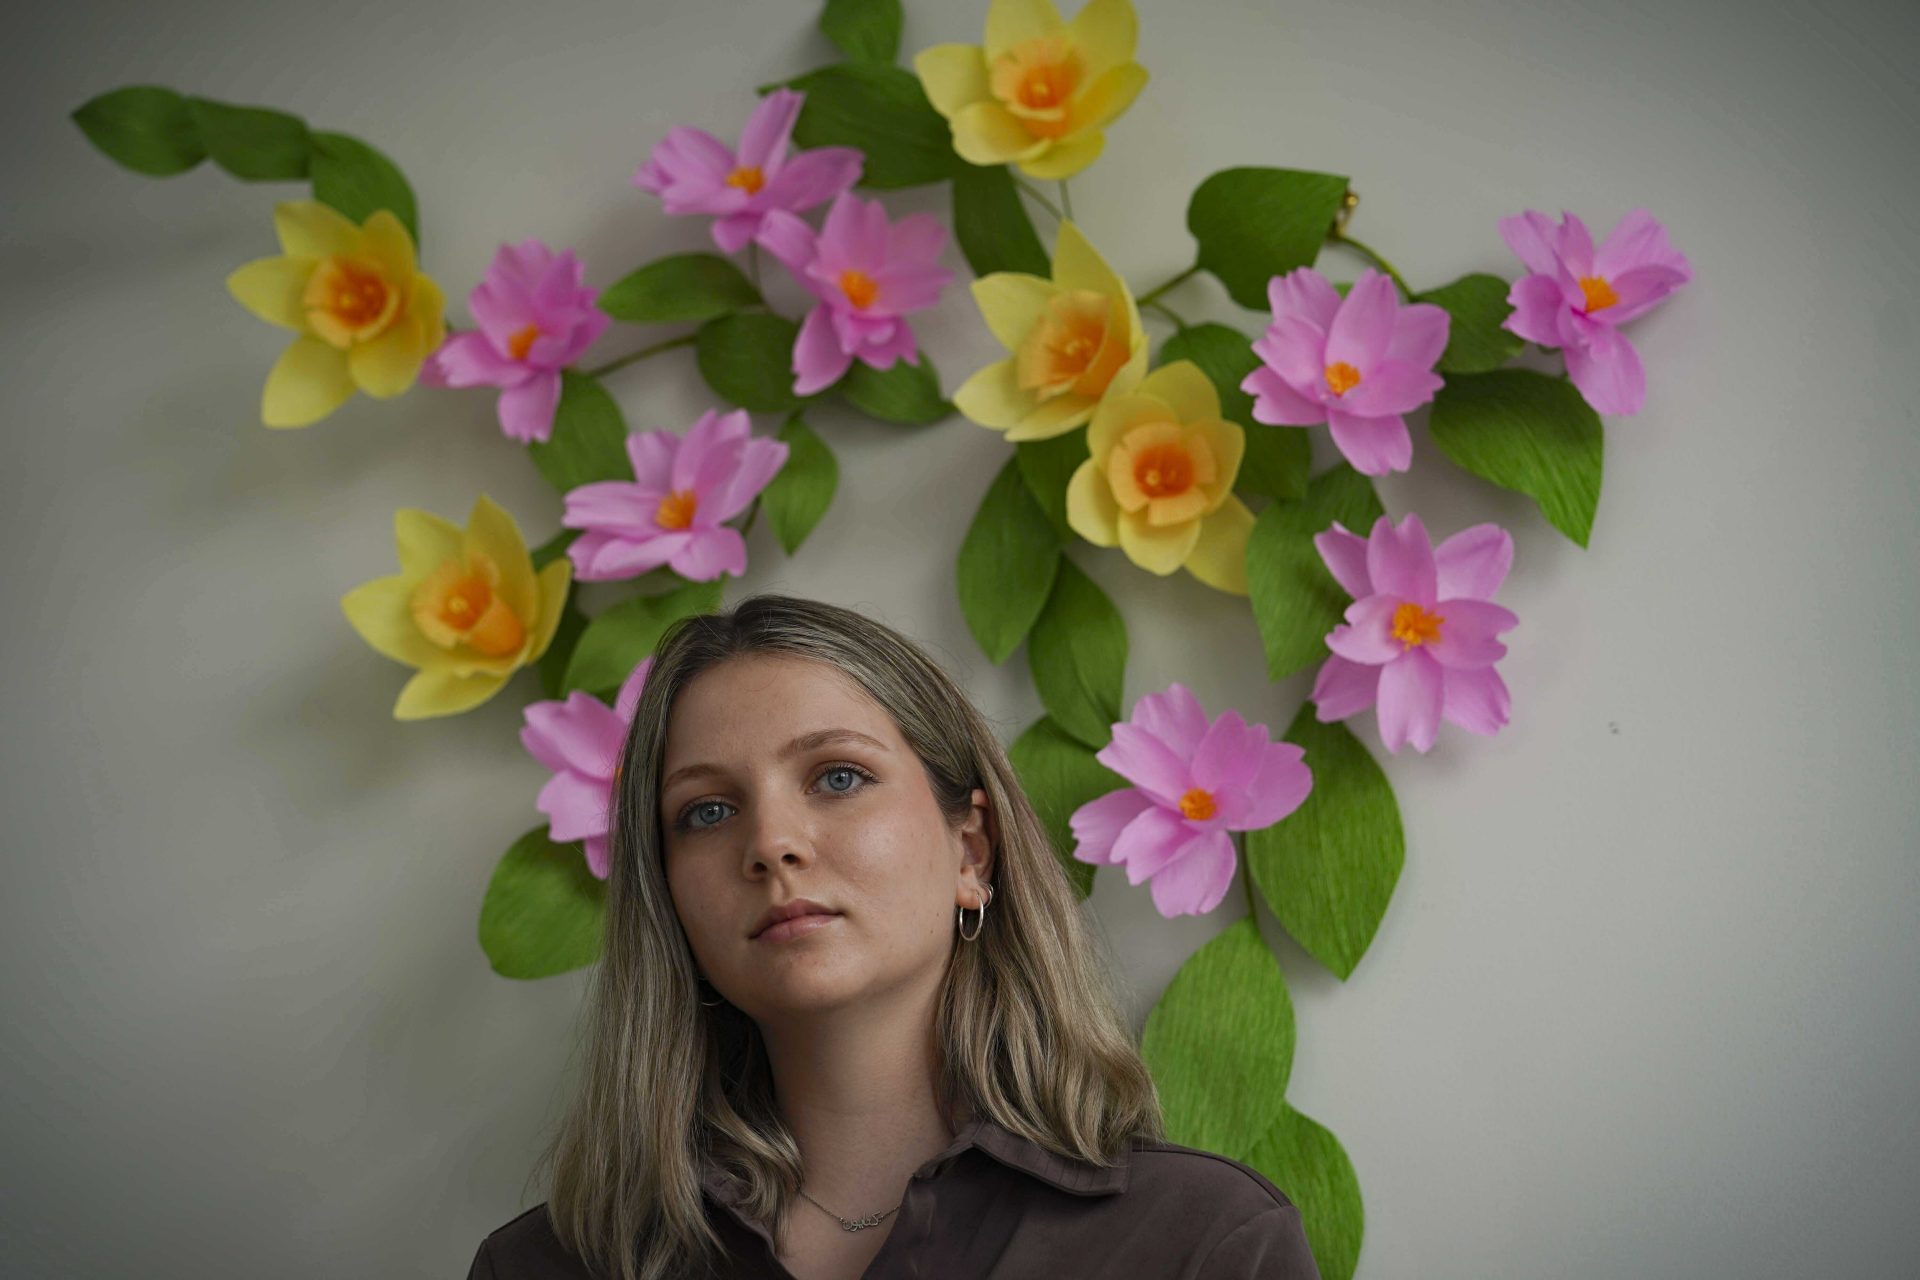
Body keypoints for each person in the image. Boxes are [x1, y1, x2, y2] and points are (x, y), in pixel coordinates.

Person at [466, 594, 1321, 1279]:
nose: (770, 844)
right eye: (708, 811)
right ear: (670, 901)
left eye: (838, 776)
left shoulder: (1203, 1244)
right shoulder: (541, 1267)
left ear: (971, 850)